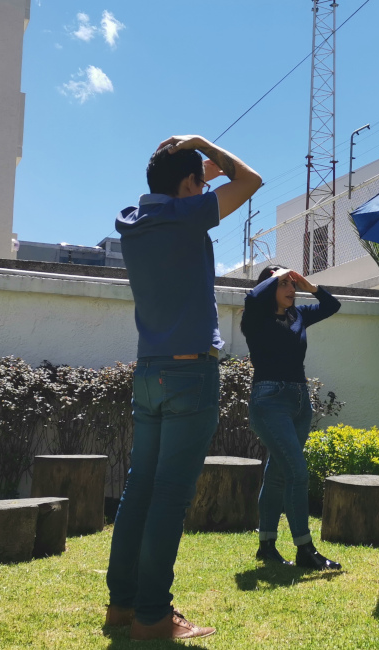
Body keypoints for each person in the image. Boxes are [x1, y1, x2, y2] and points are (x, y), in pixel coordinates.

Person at [105, 135, 261, 641]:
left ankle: (122, 607)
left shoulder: (133, 221)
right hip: (191, 373)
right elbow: (251, 181)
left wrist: (195, 174)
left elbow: (185, 189)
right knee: (169, 497)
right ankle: (154, 615)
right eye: (198, 180)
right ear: (189, 186)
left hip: (149, 371)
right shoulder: (190, 217)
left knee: (138, 491)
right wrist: (201, 143)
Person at [240, 265, 342, 569]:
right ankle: (305, 549)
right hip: (268, 402)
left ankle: (267, 546)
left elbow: (332, 306)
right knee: (297, 472)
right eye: (283, 283)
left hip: (299, 402)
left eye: (290, 283)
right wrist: (276, 273)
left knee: (279, 474)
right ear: (269, 287)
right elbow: (251, 297)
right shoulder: (255, 317)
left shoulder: (299, 316)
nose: (289, 288)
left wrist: (309, 285)